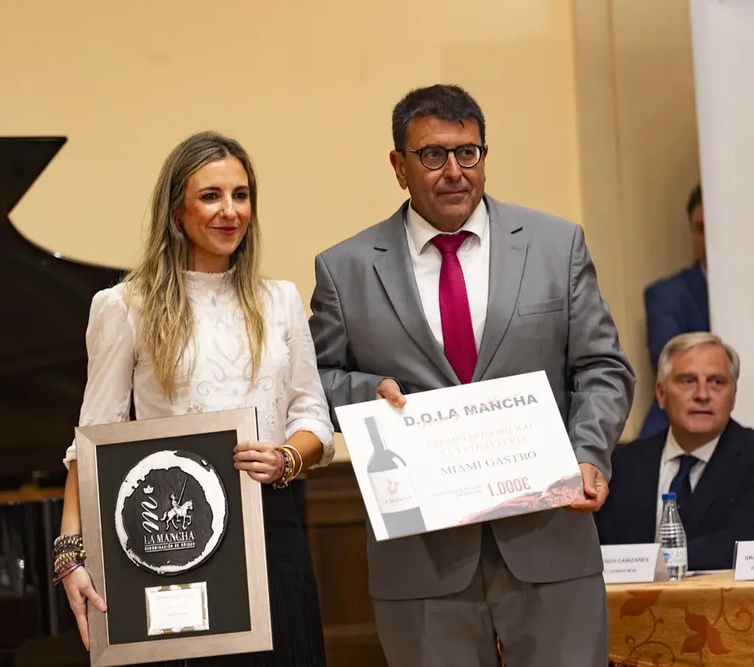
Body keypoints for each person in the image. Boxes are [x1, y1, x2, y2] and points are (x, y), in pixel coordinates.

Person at [308, 84, 634, 666]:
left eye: (469, 153)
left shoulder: (556, 245)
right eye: (433, 155)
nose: (454, 171)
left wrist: (589, 454)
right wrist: (367, 392)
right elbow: (317, 379)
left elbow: (602, 367)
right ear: (398, 167)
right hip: (422, 562)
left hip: (548, 540)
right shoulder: (345, 269)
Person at [55, 131, 334, 666]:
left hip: (272, 527)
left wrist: (287, 457)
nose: (230, 211)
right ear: (176, 212)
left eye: (241, 194)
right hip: (171, 533)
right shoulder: (123, 306)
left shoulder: (280, 299)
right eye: (211, 196)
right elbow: (92, 439)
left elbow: (313, 418)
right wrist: (71, 553)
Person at [596, 332, 754, 570]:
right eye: (688, 381)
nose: (702, 395)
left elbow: (740, 542)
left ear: (733, 397)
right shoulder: (622, 463)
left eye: (717, 382)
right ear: (661, 394)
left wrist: (655, 564)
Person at [640, 184, 710, 437]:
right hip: (684, 417)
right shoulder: (667, 295)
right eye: (701, 229)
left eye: (715, 227)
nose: (709, 238)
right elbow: (670, 363)